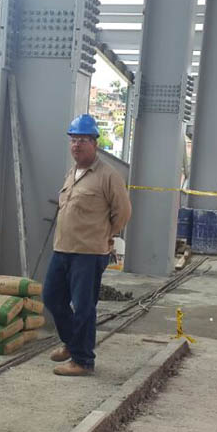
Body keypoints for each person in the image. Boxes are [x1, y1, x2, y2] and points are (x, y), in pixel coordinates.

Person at [42, 114, 132, 377]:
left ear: (95, 143)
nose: (76, 145)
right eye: (73, 140)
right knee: (51, 297)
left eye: (82, 140)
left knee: (83, 307)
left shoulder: (108, 176)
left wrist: (108, 234)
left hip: (89, 253)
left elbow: (123, 212)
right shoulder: (73, 172)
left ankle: (83, 360)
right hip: (63, 249)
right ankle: (72, 343)